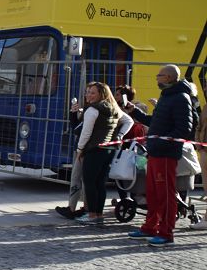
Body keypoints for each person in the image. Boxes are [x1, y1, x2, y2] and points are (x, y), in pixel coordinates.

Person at [125, 65, 197, 246]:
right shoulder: (167, 97)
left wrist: (163, 141)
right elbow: (155, 123)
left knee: (165, 194)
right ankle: (150, 227)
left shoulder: (181, 98)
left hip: (166, 154)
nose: (157, 78)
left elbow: (184, 128)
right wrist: (135, 112)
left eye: (160, 75)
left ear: (170, 77)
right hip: (156, 151)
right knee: (153, 193)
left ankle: (166, 233)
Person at [74, 82, 121, 225]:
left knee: (89, 182)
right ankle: (99, 214)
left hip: (94, 149)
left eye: (92, 92)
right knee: (100, 183)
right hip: (108, 150)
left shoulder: (93, 110)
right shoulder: (115, 108)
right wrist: (119, 136)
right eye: (87, 92)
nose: (88, 95)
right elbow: (128, 121)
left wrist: (79, 150)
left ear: (101, 94)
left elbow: (86, 133)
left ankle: (92, 215)